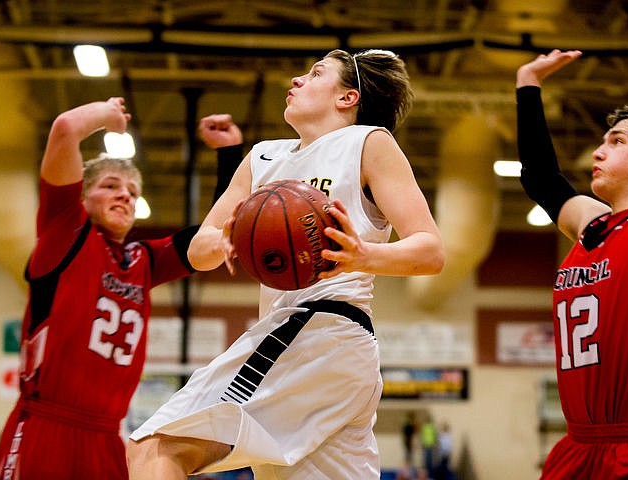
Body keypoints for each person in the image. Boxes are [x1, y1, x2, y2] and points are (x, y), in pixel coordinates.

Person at [126, 48, 445, 479]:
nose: (296, 79)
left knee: (156, 448)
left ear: (347, 98)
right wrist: (224, 237)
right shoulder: (263, 158)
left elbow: (430, 251)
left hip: (320, 327)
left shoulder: (366, 142)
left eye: (315, 74)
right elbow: (201, 252)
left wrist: (363, 255)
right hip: (317, 348)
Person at [0, 98, 242, 480]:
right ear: (82, 197)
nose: (124, 194)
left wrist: (229, 155)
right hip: (46, 426)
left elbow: (213, 235)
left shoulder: (144, 260)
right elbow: (64, 130)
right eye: (110, 186)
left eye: (131, 190)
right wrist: (108, 114)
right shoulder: (65, 234)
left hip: (107, 434)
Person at [516, 49, 628, 478]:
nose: (598, 151)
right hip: (578, 444)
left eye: (616, 141)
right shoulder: (593, 224)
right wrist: (527, 82)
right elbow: (541, 178)